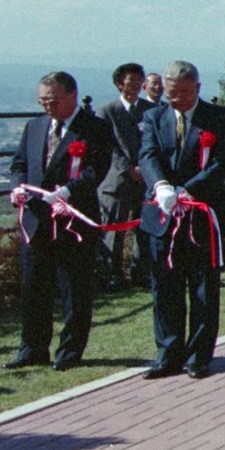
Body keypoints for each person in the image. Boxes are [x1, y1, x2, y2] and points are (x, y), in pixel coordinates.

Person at [5, 71, 112, 372]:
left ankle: (69, 350)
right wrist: (18, 187)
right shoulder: (35, 126)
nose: (47, 107)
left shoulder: (94, 128)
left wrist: (67, 191)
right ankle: (32, 348)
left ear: (72, 97)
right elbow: (20, 164)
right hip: (37, 221)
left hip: (72, 222)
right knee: (34, 288)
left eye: (53, 100)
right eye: (43, 101)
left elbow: (96, 170)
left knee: (74, 288)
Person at [138, 60, 225, 379]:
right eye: (170, 93)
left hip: (201, 213)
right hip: (163, 212)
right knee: (164, 286)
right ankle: (168, 354)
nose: (175, 99)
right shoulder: (154, 116)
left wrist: (185, 190)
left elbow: (221, 161)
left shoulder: (219, 117)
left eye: (182, 92)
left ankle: (199, 356)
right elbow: (148, 155)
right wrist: (162, 186)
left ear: (197, 87)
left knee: (202, 287)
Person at [97, 62, 152, 293]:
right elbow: (107, 145)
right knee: (114, 229)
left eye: (140, 81)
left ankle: (142, 272)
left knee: (145, 228)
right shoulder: (107, 110)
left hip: (145, 179)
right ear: (120, 84)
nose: (136, 86)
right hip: (117, 180)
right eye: (131, 81)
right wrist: (128, 168)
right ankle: (113, 276)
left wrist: (145, 168)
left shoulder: (150, 109)